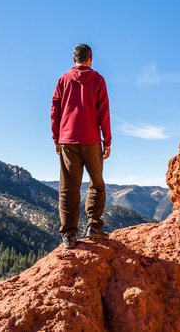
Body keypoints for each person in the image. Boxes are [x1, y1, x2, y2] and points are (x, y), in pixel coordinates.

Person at [51, 44, 112, 249]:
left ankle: (69, 235)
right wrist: (107, 141)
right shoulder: (98, 80)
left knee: (68, 188)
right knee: (97, 183)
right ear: (91, 58)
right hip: (92, 139)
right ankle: (94, 227)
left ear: (73, 58)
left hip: (68, 140)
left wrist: (56, 138)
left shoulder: (63, 80)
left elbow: (55, 111)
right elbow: (104, 111)